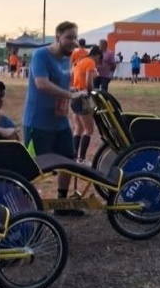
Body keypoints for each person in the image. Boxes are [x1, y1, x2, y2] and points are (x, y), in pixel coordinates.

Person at [23, 21, 86, 216]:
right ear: (58, 37)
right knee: (34, 167)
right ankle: (23, 207)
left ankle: (61, 203)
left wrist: (74, 91)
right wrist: (70, 95)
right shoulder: (41, 55)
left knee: (68, 160)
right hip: (38, 122)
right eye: (69, 37)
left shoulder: (67, 58)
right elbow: (41, 83)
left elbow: (62, 84)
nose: (73, 41)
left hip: (60, 121)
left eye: (75, 37)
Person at [71, 45, 102, 163]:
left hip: (75, 95)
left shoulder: (79, 61)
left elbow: (73, 76)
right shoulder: (90, 62)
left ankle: (74, 156)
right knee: (89, 130)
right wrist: (93, 92)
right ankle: (82, 158)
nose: (98, 62)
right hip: (84, 97)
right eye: (99, 59)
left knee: (78, 128)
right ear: (97, 55)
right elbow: (89, 84)